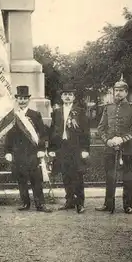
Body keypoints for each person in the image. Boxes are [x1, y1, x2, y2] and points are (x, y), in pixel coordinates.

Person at [96, 75, 132, 214]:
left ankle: (127, 205)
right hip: (110, 148)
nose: (118, 93)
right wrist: (107, 140)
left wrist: (123, 139)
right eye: (116, 90)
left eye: (121, 90)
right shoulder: (108, 107)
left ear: (126, 92)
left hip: (128, 149)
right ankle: (108, 204)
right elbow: (101, 128)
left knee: (128, 178)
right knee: (110, 177)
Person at [4, 85, 52, 213]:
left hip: (32, 153)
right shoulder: (13, 115)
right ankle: (25, 203)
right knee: (21, 180)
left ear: (28, 100)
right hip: (18, 152)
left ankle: (40, 204)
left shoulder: (35, 115)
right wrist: (8, 151)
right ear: (17, 100)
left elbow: (42, 133)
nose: (22, 101)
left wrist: (41, 148)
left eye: (25, 98)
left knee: (36, 180)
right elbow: (8, 136)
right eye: (20, 98)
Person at [48, 84, 90, 214]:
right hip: (62, 147)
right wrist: (52, 148)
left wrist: (85, 149)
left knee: (77, 175)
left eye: (70, 94)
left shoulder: (80, 111)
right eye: (65, 94)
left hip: (76, 147)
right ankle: (69, 201)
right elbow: (53, 131)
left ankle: (80, 203)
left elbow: (85, 132)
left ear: (74, 97)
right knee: (65, 174)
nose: (67, 97)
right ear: (61, 96)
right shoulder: (56, 111)